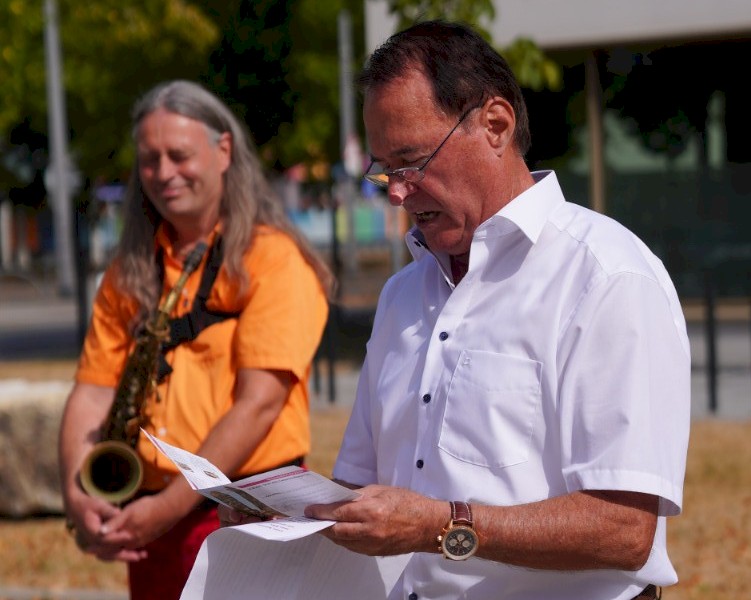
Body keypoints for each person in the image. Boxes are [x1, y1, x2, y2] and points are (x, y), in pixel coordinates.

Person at [225, 19, 690, 600]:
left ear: (496, 124)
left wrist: (442, 525)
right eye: (383, 170)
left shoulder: (606, 275)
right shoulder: (403, 294)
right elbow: (362, 488)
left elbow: (626, 531)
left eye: (412, 161)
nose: (396, 191)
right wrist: (288, 521)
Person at [59, 79, 332, 600]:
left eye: (178, 155)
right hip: (154, 521)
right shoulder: (129, 272)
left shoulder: (272, 259)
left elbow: (258, 404)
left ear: (223, 150)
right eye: (149, 159)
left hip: (244, 521)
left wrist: (165, 510)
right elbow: (93, 391)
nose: (163, 174)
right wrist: (78, 493)